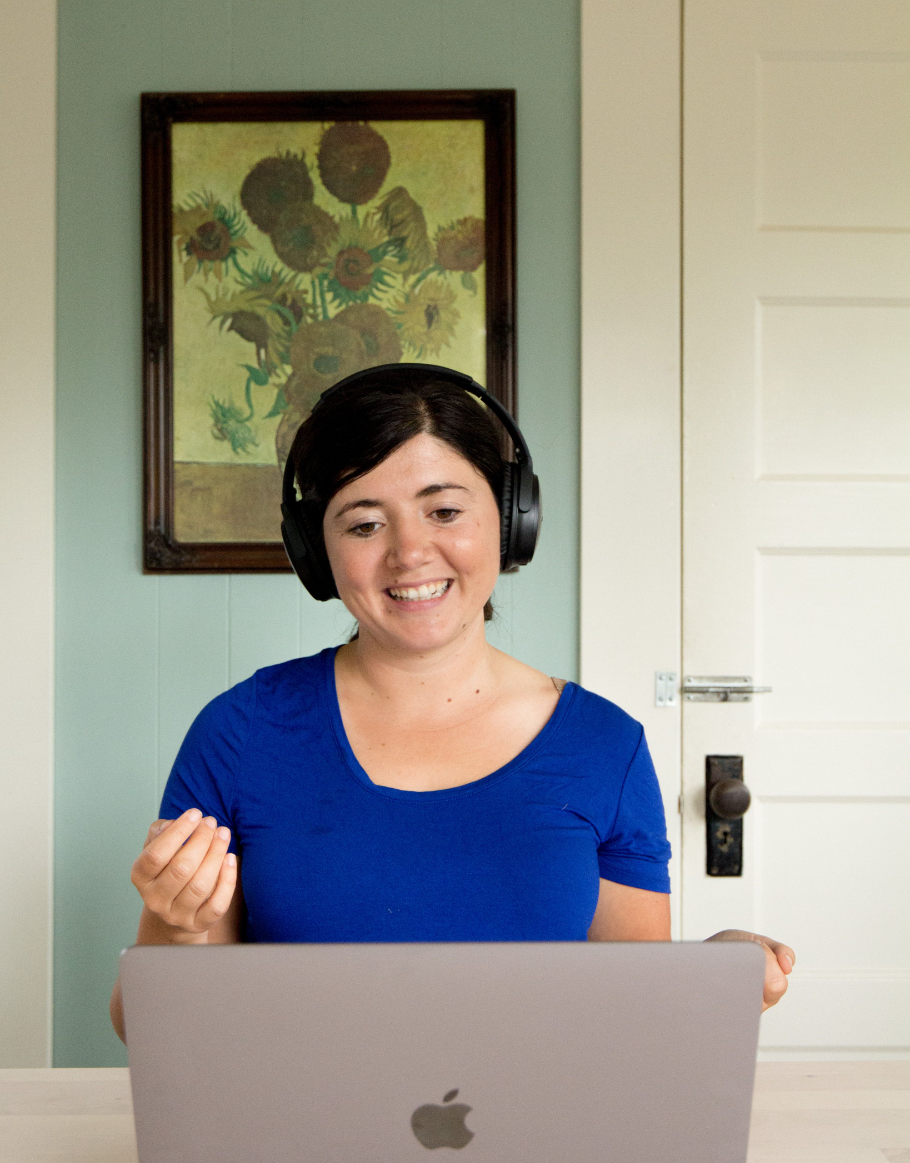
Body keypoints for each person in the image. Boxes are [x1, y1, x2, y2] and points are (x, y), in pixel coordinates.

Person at [110, 366, 793, 1042]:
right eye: (364, 524)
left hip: (537, 1113)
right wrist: (174, 926)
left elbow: (630, 1019)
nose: (409, 553)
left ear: (513, 520)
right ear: (316, 551)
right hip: (300, 1113)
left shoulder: (604, 746)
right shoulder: (239, 733)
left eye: (444, 512)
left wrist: (709, 973)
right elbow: (148, 1032)